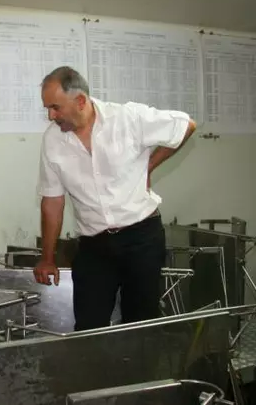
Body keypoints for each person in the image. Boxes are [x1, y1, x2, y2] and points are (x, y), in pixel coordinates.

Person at [33, 66, 196, 331]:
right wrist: (47, 258)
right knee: (88, 326)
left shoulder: (127, 118)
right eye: (47, 108)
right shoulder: (52, 141)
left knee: (140, 325)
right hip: (94, 246)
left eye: (55, 107)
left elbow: (186, 125)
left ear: (81, 101)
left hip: (141, 238)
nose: (51, 116)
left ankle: (140, 374)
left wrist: (149, 165)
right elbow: (52, 201)